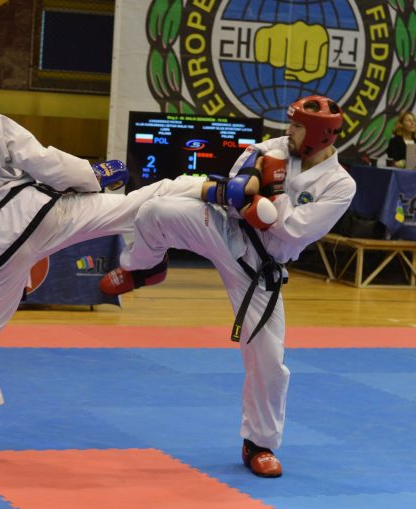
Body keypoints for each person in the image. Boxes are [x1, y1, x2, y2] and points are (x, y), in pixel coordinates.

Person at [0, 60, 203, 460]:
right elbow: (45, 162)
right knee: (133, 205)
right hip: (43, 212)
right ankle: (214, 191)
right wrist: (93, 175)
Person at [99, 95, 356, 478]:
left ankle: (259, 444)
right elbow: (237, 193)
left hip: (260, 267)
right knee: (156, 209)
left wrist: (269, 199)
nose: (289, 131)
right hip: (224, 228)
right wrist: (249, 194)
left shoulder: (340, 184)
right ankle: (144, 267)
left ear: (320, 135)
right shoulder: (271, 148)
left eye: (298, 126)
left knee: (268, 360)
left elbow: (294, 229)